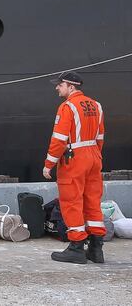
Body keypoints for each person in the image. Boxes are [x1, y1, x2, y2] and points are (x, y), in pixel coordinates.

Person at [44, 72, 106, 264]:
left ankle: (76, 248)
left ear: (71, 87)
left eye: (60, 85)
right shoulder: (97, 106)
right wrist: (93, 154)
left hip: (75, 158)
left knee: (71, 201)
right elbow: (100, 137)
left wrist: (48, 165)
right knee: (92, 201)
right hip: (94, 155)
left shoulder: (67, 107)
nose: (57, 88)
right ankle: (96, 249)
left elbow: (59, 140)